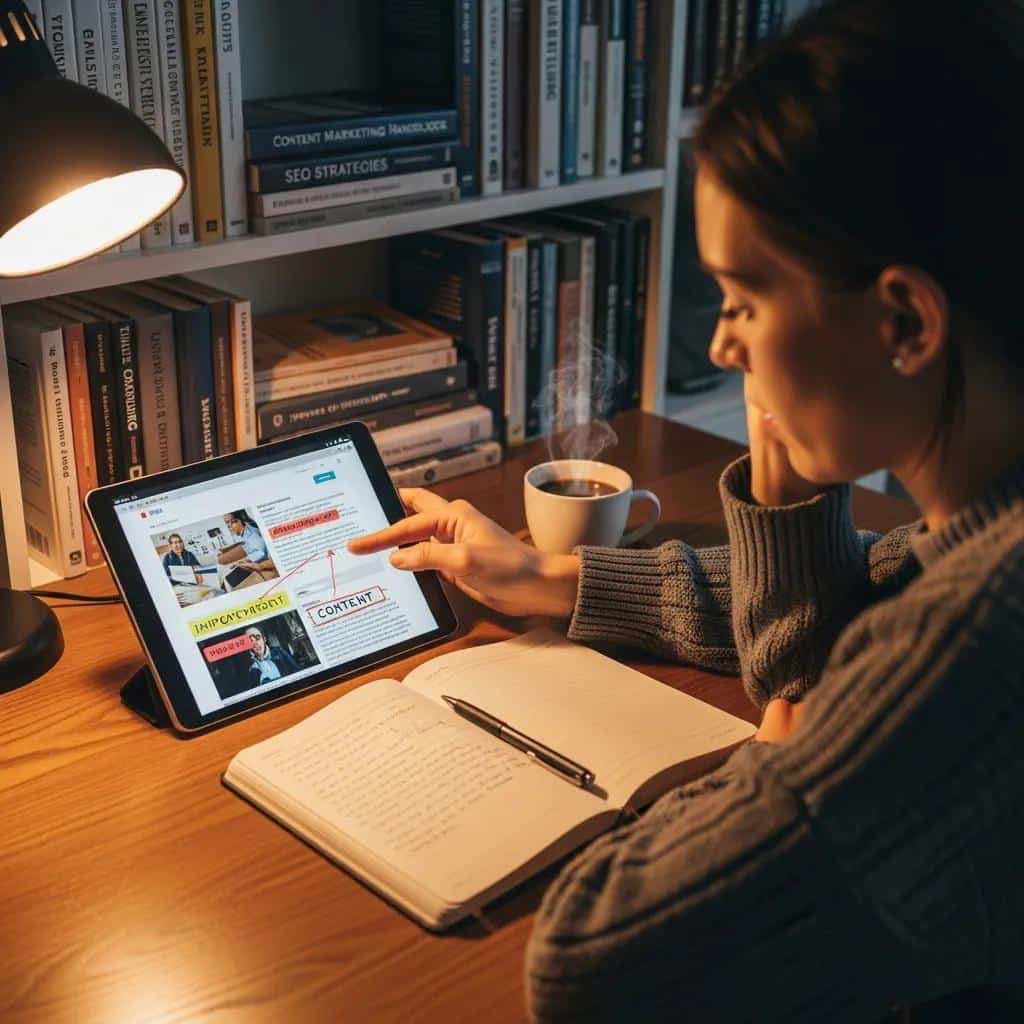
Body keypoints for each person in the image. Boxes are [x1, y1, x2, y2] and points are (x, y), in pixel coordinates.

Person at [347, 1, 1024, 1019]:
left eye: (742, 301)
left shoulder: (981, 641)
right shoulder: (976, 534)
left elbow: (593, 962)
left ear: (902, 318)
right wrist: (547, 578)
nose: (720, 348)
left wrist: (779, 755)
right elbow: (874, 600)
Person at [223, 510, 275, 574]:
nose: (229, 526)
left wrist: (243, 560)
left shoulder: (251, 533)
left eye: (232, 522)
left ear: (240, 521)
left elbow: (261, 552)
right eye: (227, 523)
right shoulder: (241, 534)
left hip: (267, 563)